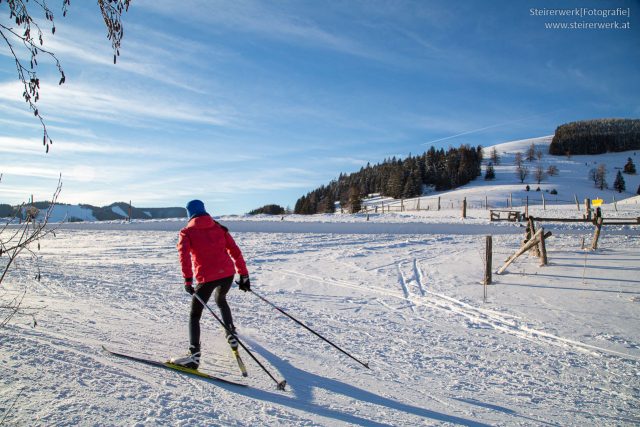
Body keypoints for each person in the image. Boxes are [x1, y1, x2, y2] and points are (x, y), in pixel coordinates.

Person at [170, 199, 251, 369]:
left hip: (206, 279)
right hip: (227, 275)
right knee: (221, 300)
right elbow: (235, 251)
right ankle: (230, 332)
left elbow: (183, 257)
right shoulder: (219, 228)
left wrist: (187, 280)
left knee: (195, 315)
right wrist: (244, 275)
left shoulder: (186, 232)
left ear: (189, 214)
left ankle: (194, 356)